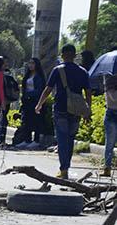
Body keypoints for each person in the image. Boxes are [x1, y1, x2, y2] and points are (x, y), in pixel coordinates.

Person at [35, 44, 93, 180]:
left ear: (62, 55)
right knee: (70, 140)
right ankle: (66, 166)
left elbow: (48, 90)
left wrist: (39, 104)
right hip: (76, 110)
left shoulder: (58, 70)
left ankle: (64, 169)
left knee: (62, 139)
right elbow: (88, 93)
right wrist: (87, 110)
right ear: (74, 55)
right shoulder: (83, 71)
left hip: (61, 108)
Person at [14, 58, 46, 149]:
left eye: (33, 63)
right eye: (29, 63)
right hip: (27, 101)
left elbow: (39, 90)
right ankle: (27, 139)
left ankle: (36, 140)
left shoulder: (39, 76)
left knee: (36, 120)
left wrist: (29, 94)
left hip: (35, 100)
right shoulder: (28, 75)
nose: (31, 65)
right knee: (27, 121)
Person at [102, 75, 117, 176]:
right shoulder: (110, 83)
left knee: (110, 143)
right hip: (112, 113)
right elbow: (114, 98)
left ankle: (107, 167)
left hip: (111, 113)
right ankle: (107, 167)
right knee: (110, 143)